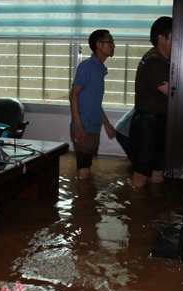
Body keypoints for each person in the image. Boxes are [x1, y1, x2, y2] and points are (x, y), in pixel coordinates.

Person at [129, 16, 173, 188]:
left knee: (158, 173)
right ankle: (136, 205)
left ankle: (152, 204)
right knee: (141, 175)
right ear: (162, 38)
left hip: (159, 123)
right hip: (148, 125)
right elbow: (171, 92)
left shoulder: (165, 60)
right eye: (174, 37)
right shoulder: (153, 61)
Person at [69, 29, 117, 179]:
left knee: (86, 170)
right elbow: (73, 95)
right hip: (84, 128)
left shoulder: (100, 69)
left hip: (93, 127)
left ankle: (82, 192)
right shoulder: (87, 66)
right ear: (99, 45)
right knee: (83, 172)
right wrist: (78, 125)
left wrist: (106, 124)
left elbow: (94, 102)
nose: (113, 46)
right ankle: (79, 194)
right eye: (110, 42)